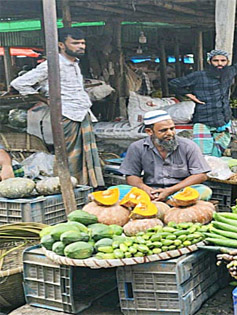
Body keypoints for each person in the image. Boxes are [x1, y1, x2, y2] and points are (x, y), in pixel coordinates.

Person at [10, 28, 104, 188]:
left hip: (81, 112)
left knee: (85, 155)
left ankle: (86, 186)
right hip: (67, 114)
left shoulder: (74, 63)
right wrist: (46, 100)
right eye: (75, 43)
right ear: (61, 44)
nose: (81, 46)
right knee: (69, 156)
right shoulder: (52, 64)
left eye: (82, 43)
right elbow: (19, 83)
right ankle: (68, 188)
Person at [169, 49, 237, 156]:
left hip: (223, 119)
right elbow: (174, 83)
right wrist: (190, 96)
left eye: (223, 60)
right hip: (204, 119)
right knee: (203, 153)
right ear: (209, 62)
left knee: (218, 151)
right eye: (215, 61)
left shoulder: (228, 72)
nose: (219, 64)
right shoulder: (199, 75)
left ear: (227, 62)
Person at [119, 110, 211, 202]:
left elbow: (201, 175)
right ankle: (166, 201)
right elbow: (131, 175)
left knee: (204, 191)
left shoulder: (188, 146)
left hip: (180, 191)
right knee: (116, 191)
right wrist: (144, 188)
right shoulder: (137, 147)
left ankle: (171, 201)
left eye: (172, 128)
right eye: (163, 130)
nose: (170, 133)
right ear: (149, 131)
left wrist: (170, 190)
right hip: (150, 191)